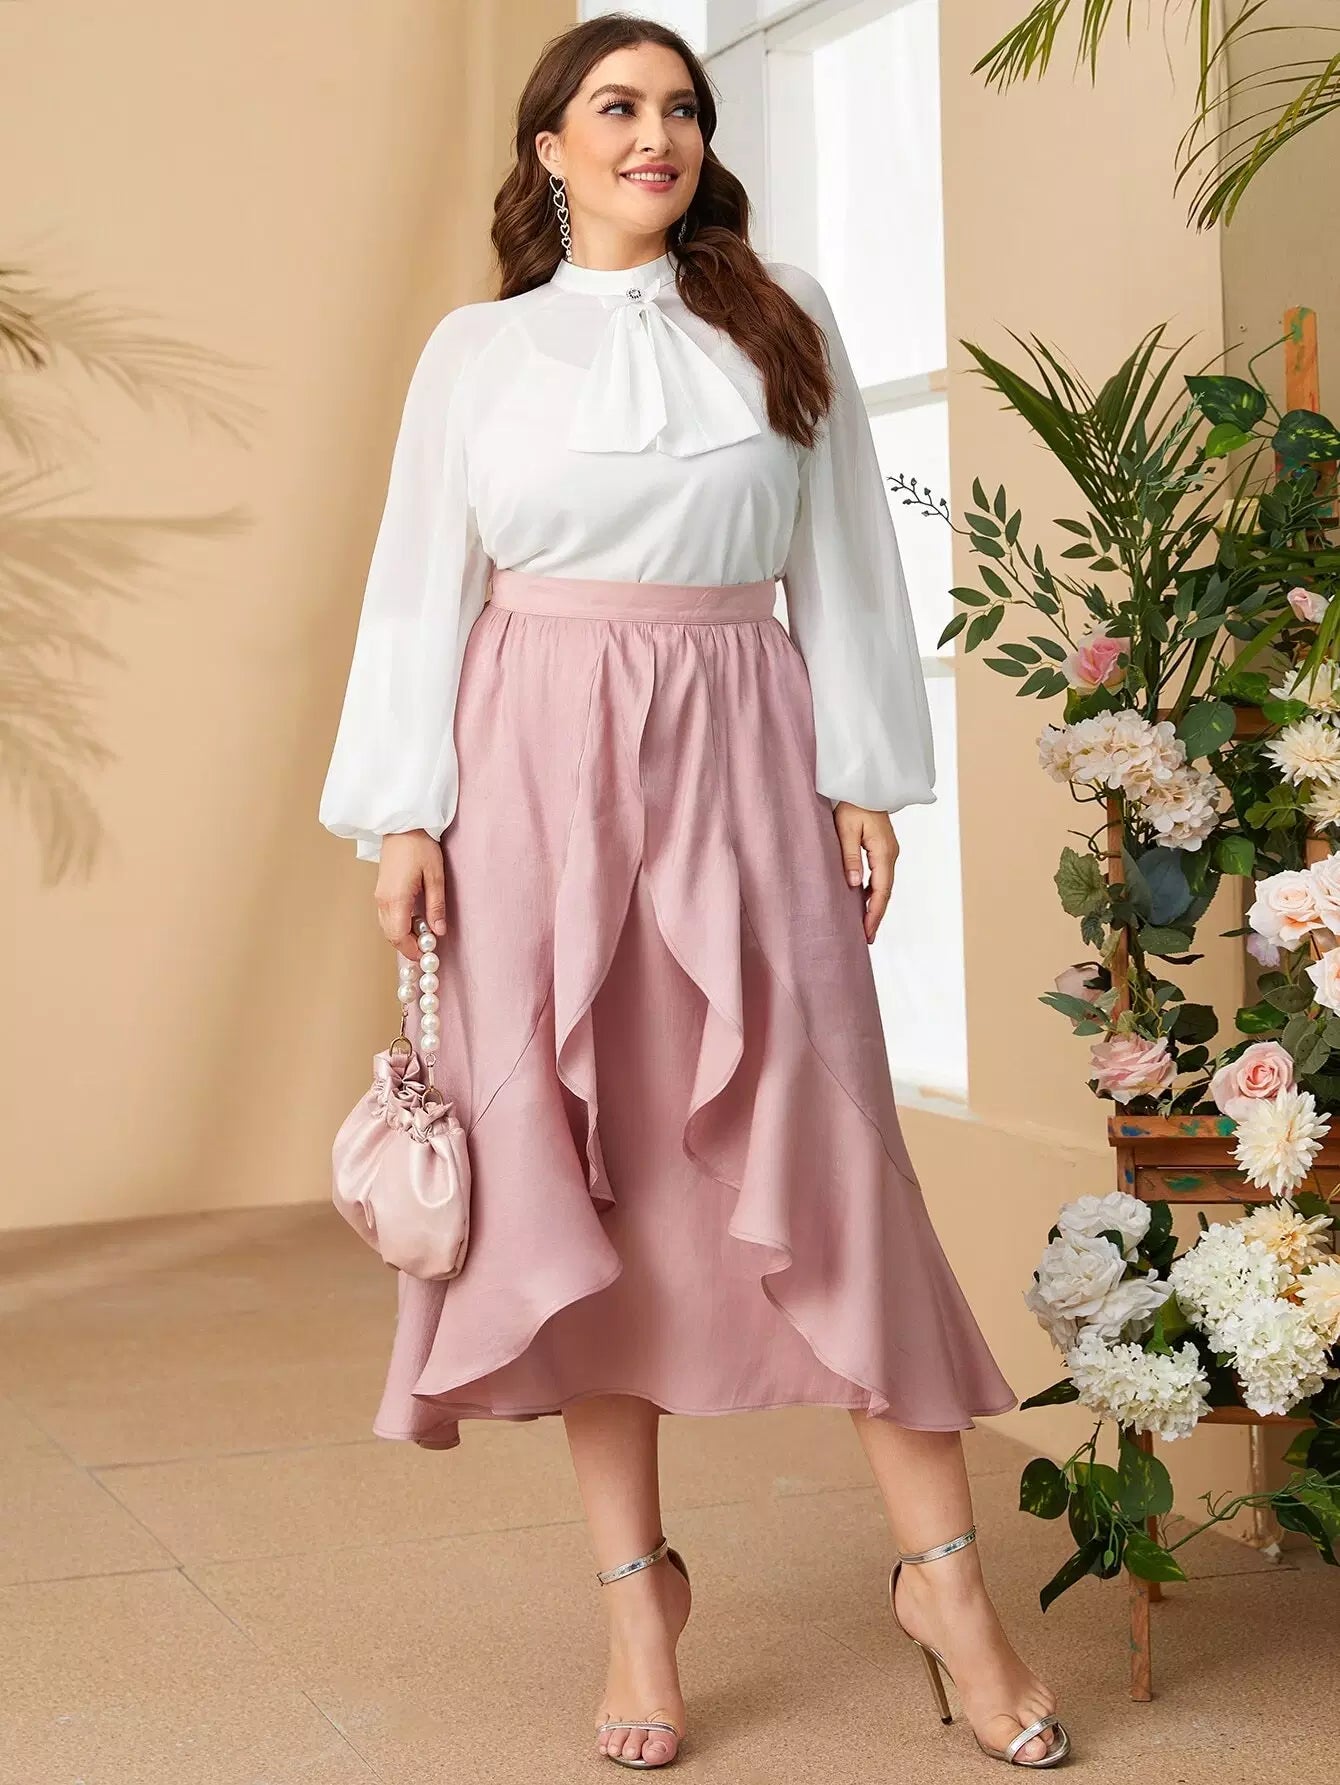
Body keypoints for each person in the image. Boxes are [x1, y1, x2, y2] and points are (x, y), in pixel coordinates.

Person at [318, 12, 1069, 1773]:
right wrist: (403, 816)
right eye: (618, 107)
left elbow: (849, 560)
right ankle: (635, 1600)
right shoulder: (477, 352)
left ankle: (950, 1587)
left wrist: (865, 770)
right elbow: (419, 587)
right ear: (550, 149)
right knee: (580, 1167)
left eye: (681, 108)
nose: (656, 133)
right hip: (528, 771)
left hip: (744, 747)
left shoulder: (777, 313)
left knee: (834, 1156)